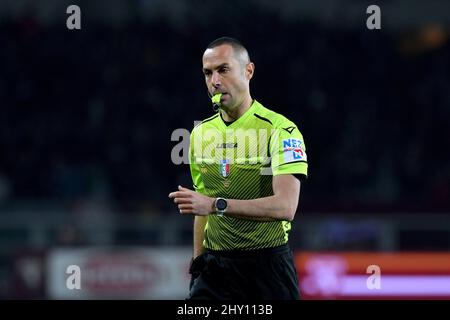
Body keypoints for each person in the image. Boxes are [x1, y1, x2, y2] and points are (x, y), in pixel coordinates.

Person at [168, 37, 308, 300]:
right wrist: (198, 264)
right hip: (215, 271)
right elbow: (202, 206)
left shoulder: (281, 130)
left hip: (268, 269)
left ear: (249, 71)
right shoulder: (200, 134)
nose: (215, 81)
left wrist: (216, 204)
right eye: (207, 73)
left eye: (223, 69)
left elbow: (286, 207)